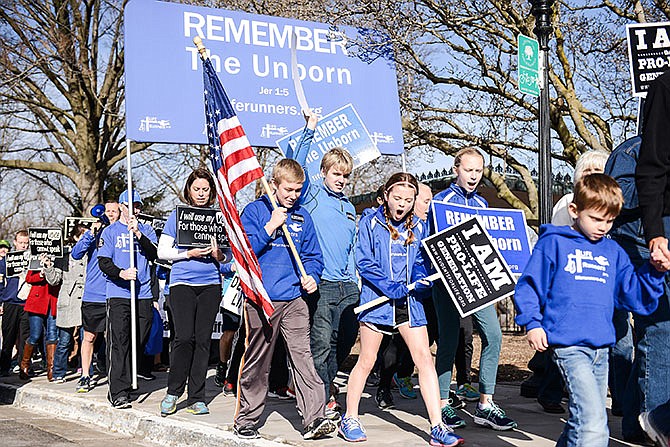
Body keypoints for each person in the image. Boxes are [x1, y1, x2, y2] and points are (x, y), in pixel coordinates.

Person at [514, 173, 665, 447]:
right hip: (569, 348)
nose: (603, 227)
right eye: (596, 219)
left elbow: (633, 295)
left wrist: (654, 273)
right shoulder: (554, 243)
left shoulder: (613, 251)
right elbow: (528, 286)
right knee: (594, 425)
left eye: (609, 221)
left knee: (580, 422)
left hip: (601, 351)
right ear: (575, 210)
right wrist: (532, 322)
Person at [339, 172, 463, 447]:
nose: (402, 204)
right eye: (397, 198)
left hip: (409, 303)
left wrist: (420, 278)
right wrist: (387, 284)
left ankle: (437, 426)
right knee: (368, 359)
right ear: (385, 195)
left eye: (408, 199)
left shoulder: (419, 226)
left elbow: (422, 259)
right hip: (378, 301)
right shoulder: (370, 221)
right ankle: (349, 417)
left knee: (424, 359)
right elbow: (364, 260)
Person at [233, 158, 335, 441]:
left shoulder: (304, 216)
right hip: (262, 298)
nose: (293, 196)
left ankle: (315, 417)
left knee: (303, 357)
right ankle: (247, 418)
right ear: (274, 184)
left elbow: (314, 257)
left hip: (294, 298)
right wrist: (270, 227)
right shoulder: (255, 211)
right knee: (258, 361)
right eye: (288, 189)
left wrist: (312, 275)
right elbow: (243, 251)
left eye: (298, 190)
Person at [431, 148, 516, 430]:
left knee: (493, 335)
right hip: (447, 283)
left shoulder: (482, 203)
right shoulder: (440, 202)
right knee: (449, 340)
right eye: (469, 170)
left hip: (478, 282)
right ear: (456, 169)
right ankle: (442, 404)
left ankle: (485, 403)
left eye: (478, 171)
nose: (473, 176)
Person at [289, 112, 359, 418]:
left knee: (342, 342)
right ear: (324, 173)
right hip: (323, 283)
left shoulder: (349, 206)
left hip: (348, 287)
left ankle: (324, 386)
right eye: (336, 174)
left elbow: (353, 246)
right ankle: (322, 398)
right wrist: (310, 129)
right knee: (321, 343)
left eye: (345, 175)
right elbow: (297, 167)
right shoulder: (312, 195)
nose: (341, 180)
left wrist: (356, 280)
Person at [157, 167, 226, 416]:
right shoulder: (177, 216)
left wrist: (220, 256)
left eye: (205, 189)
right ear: (188, 190)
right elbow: (162, 252)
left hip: (210, 285)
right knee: (183, 338)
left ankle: (197, 397)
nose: (201, 193)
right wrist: (188, 253)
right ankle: (173, 392)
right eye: (196, 189)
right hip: (182, 284)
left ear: (211, 192)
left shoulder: (218, 217)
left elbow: (227, 257)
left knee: (203, 341)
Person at [631, 69, 670, 443]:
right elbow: (652, 166)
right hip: (669, 221)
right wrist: (656, 231)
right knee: (661, 327)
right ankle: (659, 421)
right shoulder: (666, 85)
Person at [98, 190, 157, 409]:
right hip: (119, 293)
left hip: (142, 294)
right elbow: (103, 261)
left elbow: (155, 255)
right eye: (132, 205)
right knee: (120, 342)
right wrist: (121, 273)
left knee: (139, 339)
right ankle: (118, 390)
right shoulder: (110, 231)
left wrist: (139, 234)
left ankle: (131, 377)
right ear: (122, 206)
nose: (136, 210)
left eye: (139, 206)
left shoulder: (147, 229)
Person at [71, 200, 119, 393]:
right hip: (93, 295)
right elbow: (75, 254)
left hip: (116, 293)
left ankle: (115, 375)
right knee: (89, 337)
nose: (110, 214)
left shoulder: (121, 235)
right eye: (107, 211)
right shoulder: (94, 235)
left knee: (115, 338)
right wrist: (90, 233)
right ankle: (85, 375)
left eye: (114, 211)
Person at [53, 225, 88, 383]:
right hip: (69, 299)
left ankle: (86, 371)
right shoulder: (65, 255)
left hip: (86, 300)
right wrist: (48, 265)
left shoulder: (92, 253)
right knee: (64, 340)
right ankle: (58, 371)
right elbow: (54, 280)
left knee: (87, 339)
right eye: (82, 235)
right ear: (75, 237)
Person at [21, 253, 62, 381]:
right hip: (37, 301)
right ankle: (25, 364)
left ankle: (51, 368)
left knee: (52, 335)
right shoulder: (35, 259)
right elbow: (29, 278)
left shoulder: (59, 257)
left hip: (53, 300)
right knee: (35, 335)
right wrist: (41, 274)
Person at [0, 231, 30, 377]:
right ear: (15, 242)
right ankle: (4, 366)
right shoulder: (6, 260)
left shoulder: (32, 259)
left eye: (26, 243)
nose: (24, 245)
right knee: (8, 337)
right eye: (21, 242)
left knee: (25, 336)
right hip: (10, 302)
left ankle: (23, 366)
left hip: (27, 303)